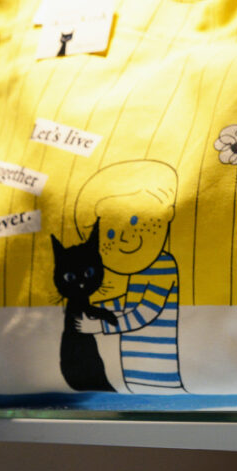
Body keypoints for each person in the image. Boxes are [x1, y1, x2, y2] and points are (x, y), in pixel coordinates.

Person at [73, 160, 184, 392]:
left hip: (160, 370)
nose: (124, 238)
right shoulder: (141, 267)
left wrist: (101, 325)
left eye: (134, 220)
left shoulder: (163, 265)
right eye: (111, 233)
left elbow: (146, 312)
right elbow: (129, 303)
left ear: (168, 213)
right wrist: (98, 307)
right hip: (134, 367)